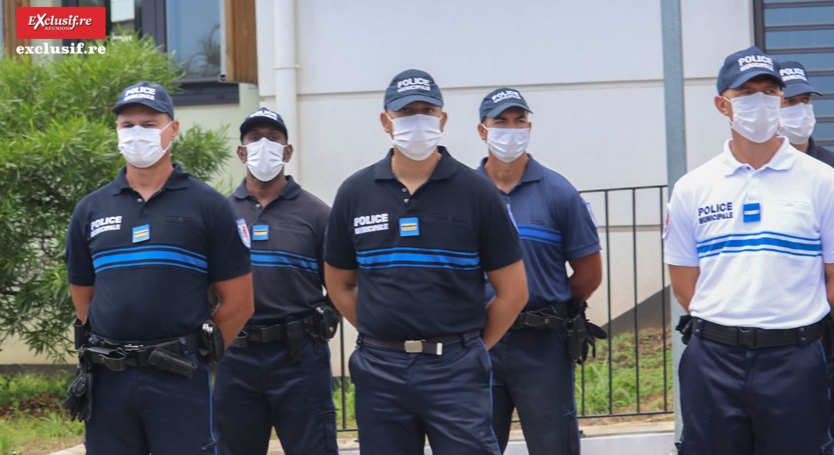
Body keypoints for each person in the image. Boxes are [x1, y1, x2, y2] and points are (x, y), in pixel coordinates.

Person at [324, 69, 529, 455]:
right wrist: (381, 330)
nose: (417, 120)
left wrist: (468, 348)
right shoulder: (354, 193)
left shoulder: (478, 192)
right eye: (406, 112)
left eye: (427, 110)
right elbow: (339, 284)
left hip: (456, 370)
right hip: (379, 370)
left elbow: (513, 292)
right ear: (386, 121)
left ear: (443, 119)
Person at [64, 81, 254, 454]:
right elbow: (84, 300)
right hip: (109, 381)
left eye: (149, 124)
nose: (137, 133)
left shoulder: (209, 206)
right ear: (117, 130)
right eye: (127, 124)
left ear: (173, 129)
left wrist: (196, 352)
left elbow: (239, 303)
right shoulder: (90, 210)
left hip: (179, 377)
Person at [665, 47, 834, 454]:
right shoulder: (693, 187)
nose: (759, 102)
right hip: (713, 362)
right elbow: (685, 284)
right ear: (722, 105)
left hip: (794, 360)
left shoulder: (823, 181)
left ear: (780, 98)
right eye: (746, 93)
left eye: (769, 91)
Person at [475, 88, 603, 454]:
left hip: (542, 345)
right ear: (483, 130)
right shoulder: (464, 193)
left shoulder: (559, 193)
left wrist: (547, 305)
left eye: (519, 121)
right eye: (501, 121)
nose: (511, 129)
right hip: (479, 342)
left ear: (529, 128)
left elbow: (588, 275)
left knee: (554, 444)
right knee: (473, 443)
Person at [213, 107, 338, 455]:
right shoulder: (220, 213)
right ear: (242, 152)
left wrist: (326, 319)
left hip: (300, 357)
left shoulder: (316, 213)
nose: (264, 144)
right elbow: (206, 285)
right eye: (255, 138)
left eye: (273, 137)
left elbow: (342, 282)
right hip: (236, 356)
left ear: (287, 151)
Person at [778, 60, 834, 167]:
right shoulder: (758, 165)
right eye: (790, 101)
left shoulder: (829, 165)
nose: (801, 109)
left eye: (805, 100)